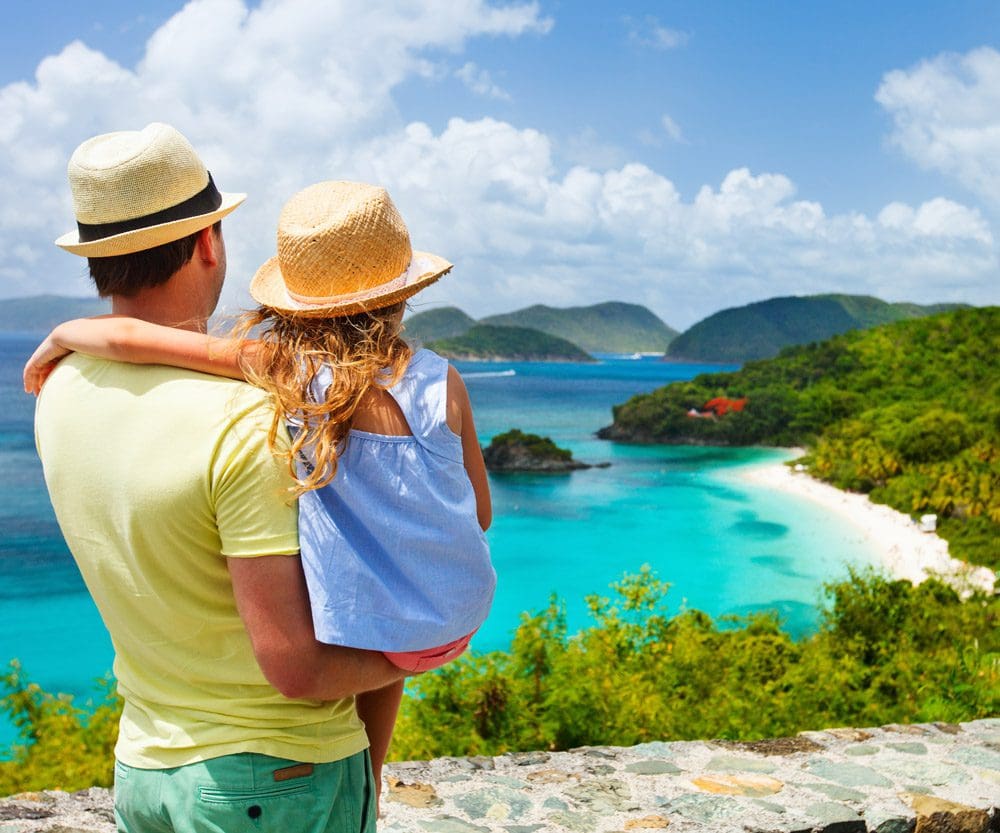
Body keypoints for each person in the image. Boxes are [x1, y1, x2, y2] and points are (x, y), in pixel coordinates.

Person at [26, 179, 497, 805]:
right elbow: (479, 515)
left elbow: (135, 340)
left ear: (291, 300)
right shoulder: (443, 379)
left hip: (356, 660)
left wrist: (68, 334)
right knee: (386, 588)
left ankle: (367, 784)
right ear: (402, 292)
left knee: (362, 600)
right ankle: (370, 783)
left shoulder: (291, 374)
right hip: (454, 622)